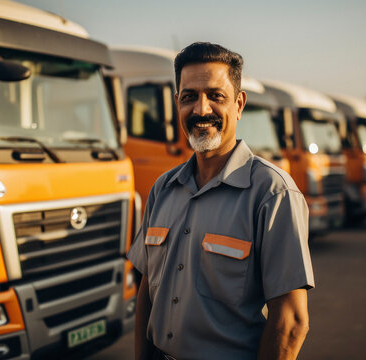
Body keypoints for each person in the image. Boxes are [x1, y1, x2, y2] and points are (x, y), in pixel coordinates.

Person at [127, 42, 314, 360]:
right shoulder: (162, 189)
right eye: (189, 97)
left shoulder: (272, 193)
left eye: (216, 96)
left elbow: (292, 321)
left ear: (239, 104)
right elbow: (147, 291)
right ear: (177, 104)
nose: (201, 110)